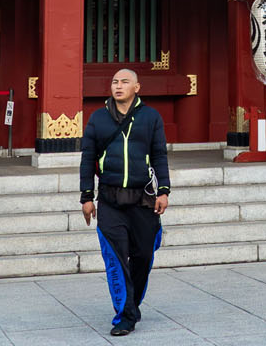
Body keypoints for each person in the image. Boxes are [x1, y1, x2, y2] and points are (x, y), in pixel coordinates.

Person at [80, 68, 172, 337]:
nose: (118, 86)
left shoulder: (151, 117)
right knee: (117, 258)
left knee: (144, 255)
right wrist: (87, 197)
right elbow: (87, 159)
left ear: (137, 87)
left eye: (124, 82)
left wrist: (164, 191)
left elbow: (159, 156)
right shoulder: (98, 118)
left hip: (142, 198)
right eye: (114, 82)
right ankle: (125, 314)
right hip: (109, 199)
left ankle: (132, 303)